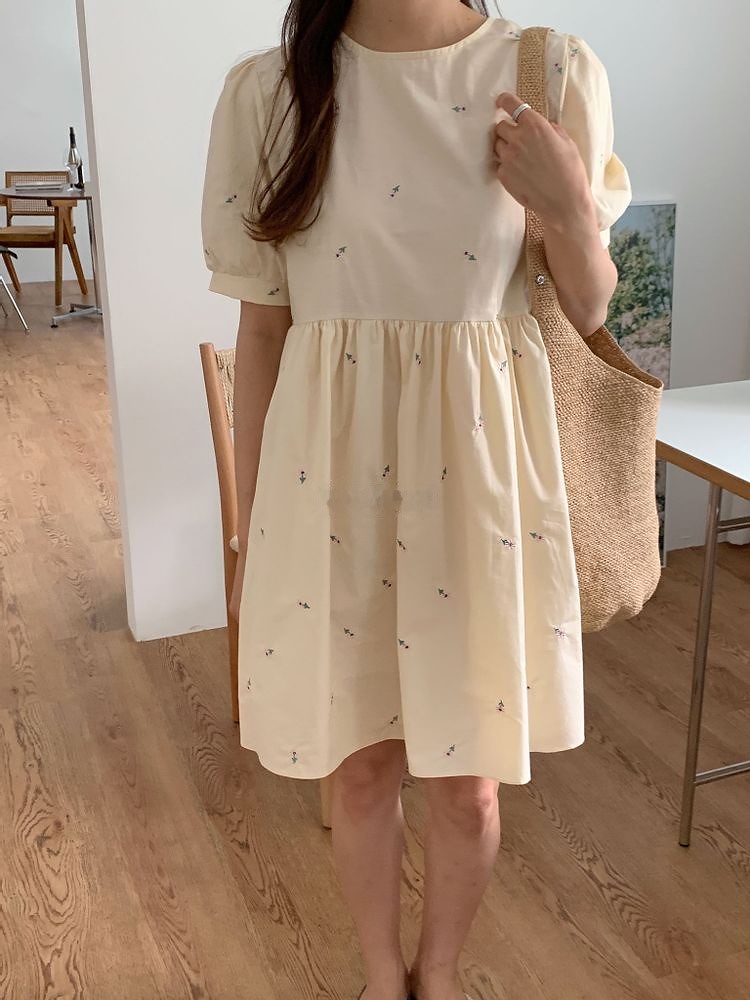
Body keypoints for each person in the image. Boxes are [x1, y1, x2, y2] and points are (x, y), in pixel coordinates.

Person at [200, 2, 631, 998]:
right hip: (326, 485)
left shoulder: (550, 71)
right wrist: (254, 535)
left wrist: (568, 208)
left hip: (478, 482)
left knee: (468, 781)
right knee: (358, 765)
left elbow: (592, 306)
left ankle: (438, 974)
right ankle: (380, 974)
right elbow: (262, 331)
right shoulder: (270, 92)